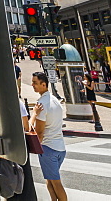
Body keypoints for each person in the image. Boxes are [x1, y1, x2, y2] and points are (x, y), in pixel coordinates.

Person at [30, 72, 67, 201]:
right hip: (60, 147)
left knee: (56, 183)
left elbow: (39, 132)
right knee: (50, 181)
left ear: (43, 84)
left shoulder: (42, 104)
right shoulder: (54, 100)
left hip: (48, 148)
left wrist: (35, 148)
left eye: (35, 82)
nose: (32, 85)